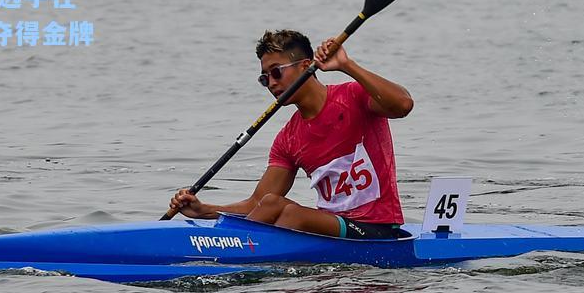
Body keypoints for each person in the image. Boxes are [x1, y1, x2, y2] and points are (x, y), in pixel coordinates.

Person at [167, 28, 413, 239]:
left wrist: (347, 65)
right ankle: (234, 249)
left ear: (306, 66)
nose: (272, 83)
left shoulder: (353, 96)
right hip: (334, 230)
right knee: (272, 202)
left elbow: (403, 105)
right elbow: (257, 203)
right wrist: (206, 210)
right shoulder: (288, 138)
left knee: (291, 213)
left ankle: (238, 258)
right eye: (265, 78)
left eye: (276, 72)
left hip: (377, 230)